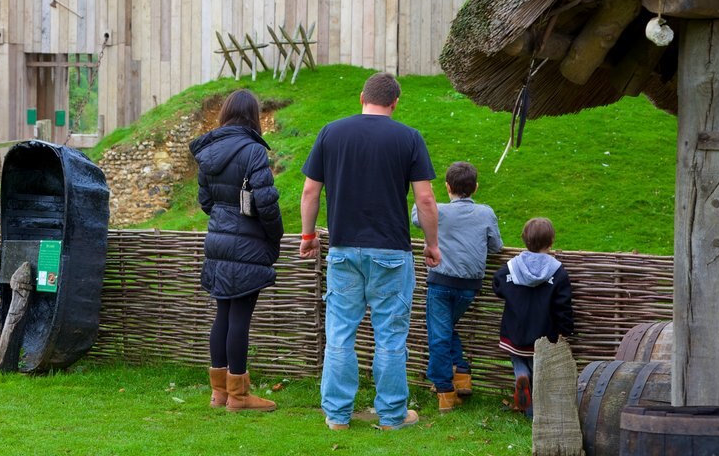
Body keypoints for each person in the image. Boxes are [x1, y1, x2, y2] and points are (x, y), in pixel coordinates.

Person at [299, 72, 441, 431]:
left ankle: (337, 415)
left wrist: (307, 235)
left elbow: (309, 192)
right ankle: (393, 416)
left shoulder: (332, 132)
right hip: (391, 252)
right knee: (390, 336)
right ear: (395, 103)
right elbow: (425, 198)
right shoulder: (408, 137)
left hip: (344, 249)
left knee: (340, 333)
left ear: (361, 97)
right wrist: (432, 243)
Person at [190, 88, 284, 412]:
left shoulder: (209, 151)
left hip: (218, 240)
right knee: (239, 316)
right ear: (253, 116)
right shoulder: (253, 151)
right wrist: (275, 238)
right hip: (247, 244)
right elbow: (267, 204)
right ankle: (239, 396)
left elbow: (205, 201)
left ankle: (219, 393)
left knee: (224, 314)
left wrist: (224, 217)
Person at [412, 161, 503, 412]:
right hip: (469, 287)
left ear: (447, 186)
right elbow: (496, 246)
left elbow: (414, 215)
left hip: (441, 282)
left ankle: (444, 390)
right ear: (475, 187)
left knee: (439, 335)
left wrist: (426, 197)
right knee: (445, 328)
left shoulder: (438, 211)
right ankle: (461, 372)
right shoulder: (486, 213)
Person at [492, 217, 574, 419]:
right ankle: (533, 413)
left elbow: (497, 284)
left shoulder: (510, 268)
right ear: (551, 241)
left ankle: (521, 376)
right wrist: (566, 329)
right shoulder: (558, 272)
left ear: (524, 240)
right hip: (543, 334)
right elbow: (563, 305)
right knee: (539, 370)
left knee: (518, 358)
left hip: (514, 330)